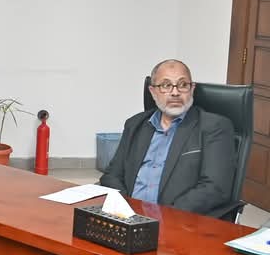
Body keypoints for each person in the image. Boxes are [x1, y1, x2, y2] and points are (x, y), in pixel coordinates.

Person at [99, 59, 236, 217]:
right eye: (166, 85)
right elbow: (112, 175)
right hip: (129, 216)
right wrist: (125, 208)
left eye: (183, 85)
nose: (175, 92)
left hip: (178, 220)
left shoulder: (214, 127)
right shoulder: (135, 124)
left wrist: (165, 215)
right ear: (153, 91)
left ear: (192, 89)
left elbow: (215, 188)